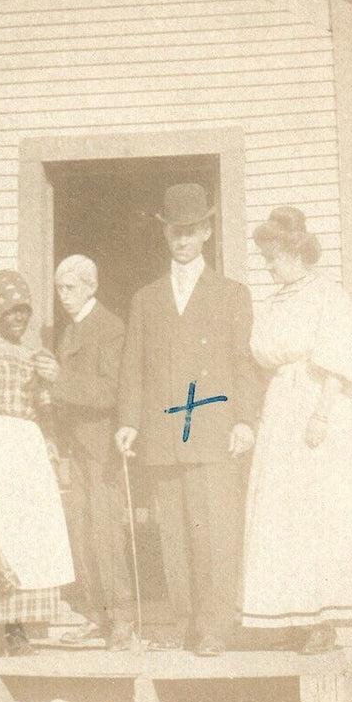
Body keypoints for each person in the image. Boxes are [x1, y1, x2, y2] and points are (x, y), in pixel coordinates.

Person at [239, 207, 352, 652]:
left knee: (319, 511)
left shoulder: (329, 296)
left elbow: (339, 360)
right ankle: (291, 613)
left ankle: (323, 619)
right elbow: (260, 358)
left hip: (317, 406)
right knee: (283, 513)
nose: (268, 266)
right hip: (280, 408)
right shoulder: (272, 303)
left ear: (295, 252)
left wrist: (323, 415)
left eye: (273, 257)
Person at [115, 183, 262, 657]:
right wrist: (129, 421)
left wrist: (244, 420)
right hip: (162, 433)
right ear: (166, 235)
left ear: (205, 232)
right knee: (174, 532)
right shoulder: (146, 299)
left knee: (213, 530)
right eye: (174, 232)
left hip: (214, 429)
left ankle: (214, 627)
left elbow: (243, 363)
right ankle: (184, 624)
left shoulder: (231, 295)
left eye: (190, 231)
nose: (182, 241)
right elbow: (133, 367)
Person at [0, 269, 76, 657]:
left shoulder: (32, 354)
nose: (20, 319)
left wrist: (52, 444)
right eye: (12, 312)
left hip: (26, 446)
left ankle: (19, 629)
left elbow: (44, 409)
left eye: (25, 312)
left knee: (29, 537)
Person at [49, 255, 137, 651]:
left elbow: (110, 391)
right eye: (59, 287)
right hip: (75, 447)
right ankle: (92, 616)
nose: (62, 295)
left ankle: (121, 619)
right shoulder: (70, 331)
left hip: (102, 447)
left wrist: (58, 379)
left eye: (69, 287)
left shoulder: (109, 327)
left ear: (91, 287)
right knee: (80, 535)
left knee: (105, 532)